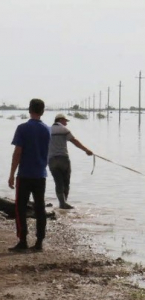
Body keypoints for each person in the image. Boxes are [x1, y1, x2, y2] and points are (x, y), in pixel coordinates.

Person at [8, 99, 51, 252]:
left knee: (20, 208)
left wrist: (12, 174)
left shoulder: (23, 128)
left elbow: (17, 152)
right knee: (40, 208)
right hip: (40, 174)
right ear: (43, 111)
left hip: (25, 174)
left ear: (29, 110)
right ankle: (39, 242)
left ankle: (23, 240)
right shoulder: (47, 130)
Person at [48, 113, 93, 209]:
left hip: (51, 159)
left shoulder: (48, 130)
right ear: (60, 120)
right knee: (66, 182)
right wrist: (86, 150)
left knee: (58, 182)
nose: (66, 123)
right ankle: (64, 204)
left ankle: (61, 203)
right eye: (65, 121)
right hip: (63, 158)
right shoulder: (64, 130)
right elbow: (74, 141)